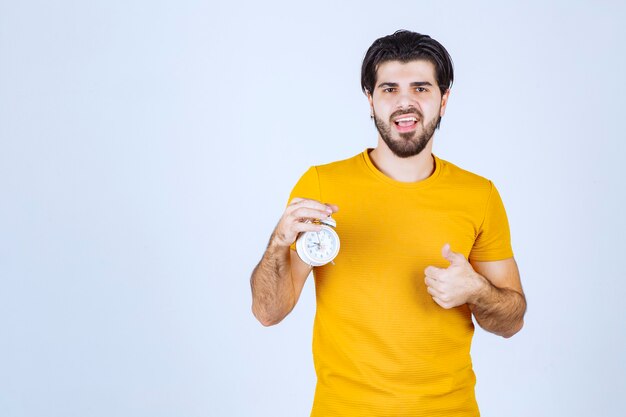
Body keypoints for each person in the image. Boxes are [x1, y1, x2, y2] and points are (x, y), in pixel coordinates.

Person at [250, 30, 526, 416]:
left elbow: (512, 321)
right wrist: (278, 243)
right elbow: (268, 312)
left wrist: (478, 290)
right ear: (370, 99)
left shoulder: (479, 195)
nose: (404, 102)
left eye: (421, 88)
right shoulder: (321, 185)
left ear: (444, 100)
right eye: (389, 89)